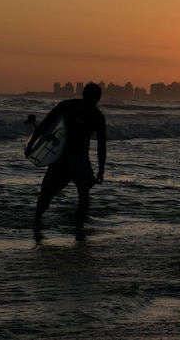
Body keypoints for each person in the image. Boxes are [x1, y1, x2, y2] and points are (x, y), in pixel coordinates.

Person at [25, 83, 106, 241]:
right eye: (91, 97)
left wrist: (101, 169)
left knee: (83, 194)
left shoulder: (95, 115)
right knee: (48, 193)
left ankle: (78, 229)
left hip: (77, 158)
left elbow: (102, 145)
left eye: (95, 98)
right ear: (84, 95)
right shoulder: (69, 106)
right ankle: (37, 222)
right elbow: (46, 125)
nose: (93, 101)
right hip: (62, 157)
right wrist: (31, 144)